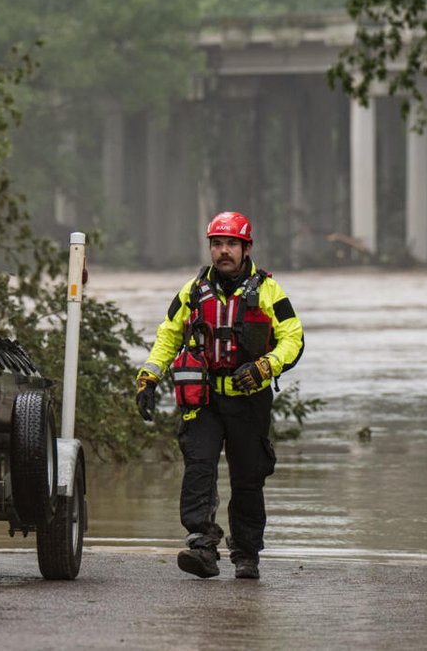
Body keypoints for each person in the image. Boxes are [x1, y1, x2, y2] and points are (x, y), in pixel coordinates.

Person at [135, 211, 304, 580]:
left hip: (249, 399)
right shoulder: (193, 292)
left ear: (246, 248)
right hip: (204, 399)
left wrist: (266, 366)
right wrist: (149, 376)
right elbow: (168, 335)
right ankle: (202, 547)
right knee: (199, 467)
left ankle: (246, 554)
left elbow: (294, 338)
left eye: (231, 244)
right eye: (217, 244)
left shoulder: (270, 292)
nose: (223, 251)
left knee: (247, 478)